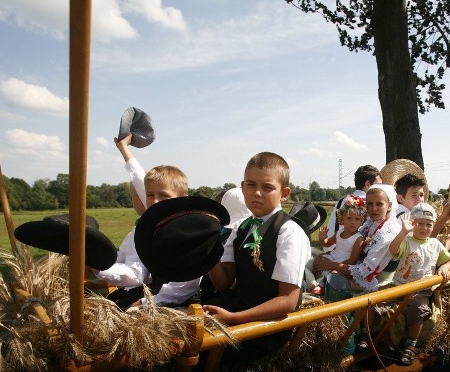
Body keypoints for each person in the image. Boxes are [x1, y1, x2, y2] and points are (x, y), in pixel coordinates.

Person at [202, 151, 311, 358]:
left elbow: (287, 300)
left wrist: (234, 318)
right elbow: (223, 282)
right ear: (242, 187)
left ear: (284, 193)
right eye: (251, 185)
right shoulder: (242, 228)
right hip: (239, 310)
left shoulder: (289, 231)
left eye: (267, 187)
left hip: (268, 326)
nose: (257, 193)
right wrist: (207, 252)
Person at [89, 134, 190, 310]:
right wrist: (123, 148)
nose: (154, 201)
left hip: (172, 303)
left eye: (164, 196)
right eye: (149, 195)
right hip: (150, 294)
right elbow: (139, 178)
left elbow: (184, 287)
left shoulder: (189, 232)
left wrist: (145, 303)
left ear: (182, 199)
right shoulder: (150, 227)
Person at [387, 202, 450, 365]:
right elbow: (393, 250)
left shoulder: (435, 244)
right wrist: (403, 232)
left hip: (421, 289)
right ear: (412, 223)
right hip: (399, 286)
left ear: (433, 226)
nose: (424, 228)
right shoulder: (407, 241)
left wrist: (444, 267)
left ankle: (411, 344)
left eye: (428, 224)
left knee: (419, 309)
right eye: (419, 223)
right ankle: (366, 337)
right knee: (376, 302)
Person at [308, 194, 366, 295]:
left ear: (361, 221)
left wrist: (331, 266)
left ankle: (323, 285)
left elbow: (352, 261)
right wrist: (322, 238)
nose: (353, 222)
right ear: (341, 219)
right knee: (318, 259)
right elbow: (327, 244)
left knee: (334, 274)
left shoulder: (358, 238)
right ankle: (316, 279)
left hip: (344, 263)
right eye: (349, 218)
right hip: (334, 256)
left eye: (357, 219)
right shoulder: (339, 232)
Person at [323, 164, 381, 253]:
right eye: (379, 185)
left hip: (331, 249)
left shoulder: (341, 201)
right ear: (368, 184)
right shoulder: (368, 204)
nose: (381, 189)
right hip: (350, 255)